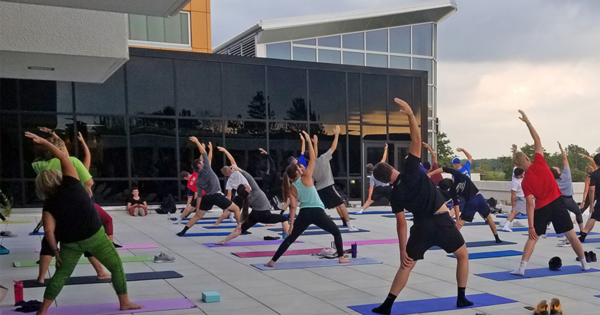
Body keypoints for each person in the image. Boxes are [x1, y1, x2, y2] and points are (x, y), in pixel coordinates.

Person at [370, 98, 473, 315]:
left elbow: (401, 225)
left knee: (406, 265)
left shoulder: (394, 194)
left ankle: (387, 305)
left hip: (421, 227)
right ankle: (461, 298)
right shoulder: (412, 169)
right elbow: (416, 138)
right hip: (442, 221)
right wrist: (409, 115)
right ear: (391, 167)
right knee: (462, 256)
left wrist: (402, 251)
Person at [25, 131, 141, 315]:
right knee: (116, 266)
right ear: (58, 176)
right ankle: (124, 302)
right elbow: (63, 156)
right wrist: (44, 142)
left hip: (70, 243)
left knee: (61, 275)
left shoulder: (49, 203)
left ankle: (43, 310)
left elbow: (48, 231)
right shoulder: (71, 182)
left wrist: (55, 250)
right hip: (93, 235)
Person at [510, 110, 589, 276]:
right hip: (558, 202)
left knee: (533, 237)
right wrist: (527, 122)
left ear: (518, 165)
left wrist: (531, 226)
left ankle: (522, 268)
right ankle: (584, 264)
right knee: (571, 235)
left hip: (542, 208)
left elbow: (530, 205)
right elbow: (537, 139)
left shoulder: (525, 182)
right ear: (527, 159)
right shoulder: (539, 161)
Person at [265, 131, 351, 268]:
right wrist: (311, 142)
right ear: (298, 172)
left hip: (304, 213)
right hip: (317, 211)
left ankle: (272, 261)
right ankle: (341, 257)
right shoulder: (306, 178)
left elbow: (293, 207)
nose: (301, 167)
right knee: (336, 232)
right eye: (299, 167)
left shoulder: (292, 188)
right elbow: (312, 156)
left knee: (290, 238)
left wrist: (291, 224)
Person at [176, 137, 241, 236]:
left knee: (198, 216)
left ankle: (183, 231)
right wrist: (197, 142)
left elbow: (199, 196)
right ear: (200, 166)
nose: (203, 162)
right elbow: (203, 153)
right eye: (201, 162)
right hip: (217, 196)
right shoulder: (206, 169)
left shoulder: (199, 179)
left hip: (207, 197)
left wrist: (197, 209)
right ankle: (240, 228)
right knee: (236, 208)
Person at [216, 165, 290, 245]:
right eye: (245, 186)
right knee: (283, 219)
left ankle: (225, 240)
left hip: (254, 215)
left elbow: (244, 212)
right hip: (265, 215)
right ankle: (289, 238)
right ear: (246, 190)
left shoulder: (246, 199)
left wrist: (240, 224)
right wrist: (240, 170)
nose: (247, 185)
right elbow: (250, 178)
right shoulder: (256, 191)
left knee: (240, 229)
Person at [429, 169, 502, 243]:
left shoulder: (453, 190)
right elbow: (444, 168)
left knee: (460, 223)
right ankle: (497, 238)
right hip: (480, 197)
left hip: (471, 202)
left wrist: (457, 219)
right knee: (489, 218)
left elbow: (456, 205)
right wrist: (431, 173)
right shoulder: (459, 175)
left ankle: (449, 240)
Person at [312, 126, 358, 231]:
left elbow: (313, 155)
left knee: (330, 207)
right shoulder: (323, 158)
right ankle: (350, 226)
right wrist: (337, 134)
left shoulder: (309, 166)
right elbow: (333, 147)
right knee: (341, 205)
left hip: (319, 189)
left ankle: (343, 222)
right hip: (328, 186)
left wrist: (314, 144)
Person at [551, 142, 584, 245]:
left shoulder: (553, 181)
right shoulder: (566, 174)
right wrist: (561, 149)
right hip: (569, 199)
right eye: (556, 167)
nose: (557, 167)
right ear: (557, 171)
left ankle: (568, 237)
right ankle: (582, 231)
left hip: (560, 200)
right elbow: (565, 160)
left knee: (565, 219)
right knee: (578, 213)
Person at [213, 146, 249, 226]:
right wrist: (224, 150)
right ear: (230, 169)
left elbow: (229, 195)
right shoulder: (235, 171)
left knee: (229, 210)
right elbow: (231, 158)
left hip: (241, 193)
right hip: (247, 191)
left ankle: (216, 223)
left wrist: (227, 204)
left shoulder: (229, 182)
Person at [357, 144, 391, 214]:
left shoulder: (372, 176)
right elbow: (384, 158)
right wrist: (386, 149)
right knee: (395, 199)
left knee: (370, 200)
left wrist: (369, 197)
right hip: (387, 187)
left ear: (369, 171)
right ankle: (403, 208)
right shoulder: (379, 167)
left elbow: (371, 187)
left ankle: (361, 210)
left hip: (379, 189)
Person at [578, 154, 600, 243]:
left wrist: (591, 204)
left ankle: (583, 234)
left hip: (599, 199)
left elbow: (591, 190)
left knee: (593, 217)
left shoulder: (594, 175)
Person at [501, 167, 526, 232]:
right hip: (520, 198)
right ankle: (506, 226)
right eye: (523, 173)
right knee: (515, 212)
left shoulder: (515, 171)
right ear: (520, 175)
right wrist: (513, 206)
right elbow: (513, 195)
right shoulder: (515, 183)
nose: (524, 174)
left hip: (524, 197)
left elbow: (516, 164)